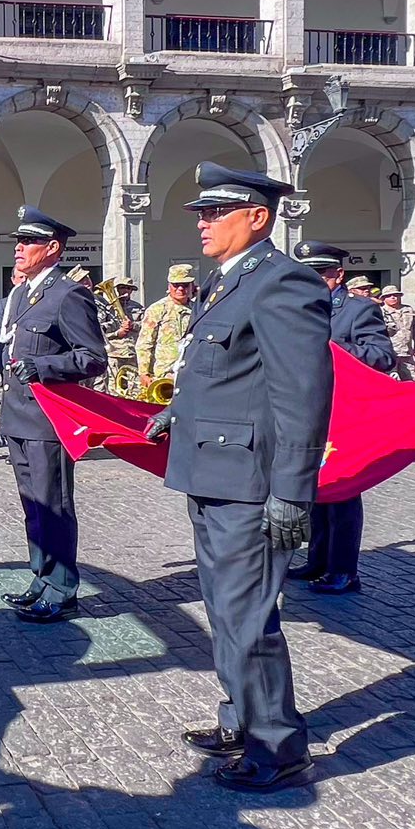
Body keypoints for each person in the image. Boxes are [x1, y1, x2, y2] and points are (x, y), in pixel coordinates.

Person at [143, 162, 331, 792]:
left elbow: (302, 393)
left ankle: (278, 748)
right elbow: (225, 374)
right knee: (224, 610)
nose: (201, 222)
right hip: (211, 471)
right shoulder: (225, 283)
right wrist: (176, 409)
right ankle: (239, 719)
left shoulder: (283, 283)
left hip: (250, 483)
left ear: (258, 216)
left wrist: (292, 490)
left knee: (247, 616)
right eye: (199, 212)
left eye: (214, 212)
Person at [0, 207, 108, 624]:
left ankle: (62, 588)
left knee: (54, 504)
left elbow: (93, 358)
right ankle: (41, 577)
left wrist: (44, 368)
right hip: (16, 416)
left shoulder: (69, 294)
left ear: (52, 248)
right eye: (18, 242)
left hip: (47, 419)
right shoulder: (22, 295)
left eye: (28, 242)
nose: (20, 248)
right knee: (33, 505)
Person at [289, 241, 394, 596]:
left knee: (344, 492)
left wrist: (332, 347)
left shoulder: (359, 310)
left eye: (322, 273)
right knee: (315, 491)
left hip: (343, 413)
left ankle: (344, 570)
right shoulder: (296, 309)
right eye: (308, 274)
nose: (315, 280)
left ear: (338, 275)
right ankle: (318, 559)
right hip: (305, 411)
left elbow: (382, 357)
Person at [135, 266, 195, 394]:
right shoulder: (157, 309)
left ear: (191, 286)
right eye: (176, 285)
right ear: (169, 286)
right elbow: (144, 344)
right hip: (163, 375)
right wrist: (144, 372)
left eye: (185, 285)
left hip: (189, 372)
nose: (180, 289)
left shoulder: (197, 309)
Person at [379, 284, 415, 379]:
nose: (393, 297)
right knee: (391, 381)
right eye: (389, 295)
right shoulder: (380, 312)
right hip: (390, 354)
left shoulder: (409, 310)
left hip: (407, 353)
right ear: (383, 298)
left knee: (411, 380)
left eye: (396, 295)